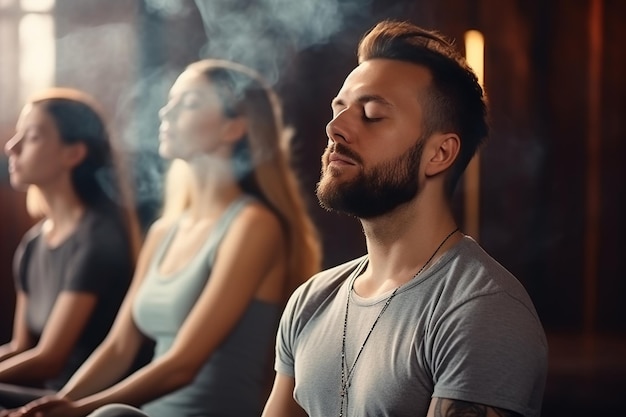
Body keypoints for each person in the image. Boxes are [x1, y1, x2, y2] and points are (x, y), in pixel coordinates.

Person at [4, 58, 321, 417]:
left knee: (112, 415)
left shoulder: (253, 225)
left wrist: (81, 412)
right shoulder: (162, 231)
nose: (166, 114)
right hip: (143, 414)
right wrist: (61, 405)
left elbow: (183, 364)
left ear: (234, 127)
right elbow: (120, 346)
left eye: (188, 103)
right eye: (169, 101)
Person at [262, 20, 548, 417]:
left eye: (373, 115)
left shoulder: (480, 310)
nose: (335, 128)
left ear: (439, 154)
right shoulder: (311, 301)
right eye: (339, 109)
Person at [0, 89, 140, 409]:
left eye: (32, 137)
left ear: (73, 153)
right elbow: (20, 345)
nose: (12, 146)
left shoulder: (98, 239)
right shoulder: (34, 243)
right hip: (46, 399)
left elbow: (49, 359)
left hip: (85, 403)